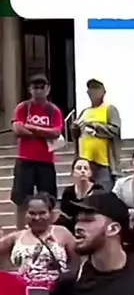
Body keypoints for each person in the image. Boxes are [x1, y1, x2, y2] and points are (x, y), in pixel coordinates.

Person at [10, 74, 64, 230]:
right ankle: (20, 232)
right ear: (30, 89)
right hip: (25, 159)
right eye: (35, 87)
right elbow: (17, 129)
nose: (39, 91)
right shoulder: (23, 107)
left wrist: (31, 128)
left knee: (49, 199)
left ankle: (48, 232)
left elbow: (56, 132)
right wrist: (44, 132)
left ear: (48, 89)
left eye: (42, 87)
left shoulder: (53, 110)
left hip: (46, 161)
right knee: (21, 199)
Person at [72, 79, 121, 190]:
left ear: (103, 92)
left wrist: (94, 125)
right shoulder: (84, 112)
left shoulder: (109, 109)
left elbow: (115, 130)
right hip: (85, 162)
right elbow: (76, 135)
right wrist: (75, 128)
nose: (93, 92)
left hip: (103, 162)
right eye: (90, 89)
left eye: (96, 89)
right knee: (85, 191)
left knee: (103, 191)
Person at [58, 157, 104, 234]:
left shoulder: (98, 190)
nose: (82, 171)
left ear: (90, 173)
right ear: (73, 173)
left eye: (86, 168)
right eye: (79, 168)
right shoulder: (68, 192)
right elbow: (65, 214)